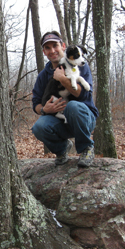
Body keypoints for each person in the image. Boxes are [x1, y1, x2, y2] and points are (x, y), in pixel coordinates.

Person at [31, 31, 98, 167]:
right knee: (38, 127)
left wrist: (61, 78)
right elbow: (36, 103)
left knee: (73, 106)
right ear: (44, 52)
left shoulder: (78, 65)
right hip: (60, 120)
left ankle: (86, 149)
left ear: (63, 46)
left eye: (55, 45)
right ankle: (61, 149)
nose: (52, 51)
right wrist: (44, 109)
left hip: (83, 119)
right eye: (48, 48)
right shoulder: (43, 76)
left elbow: (84, 94)